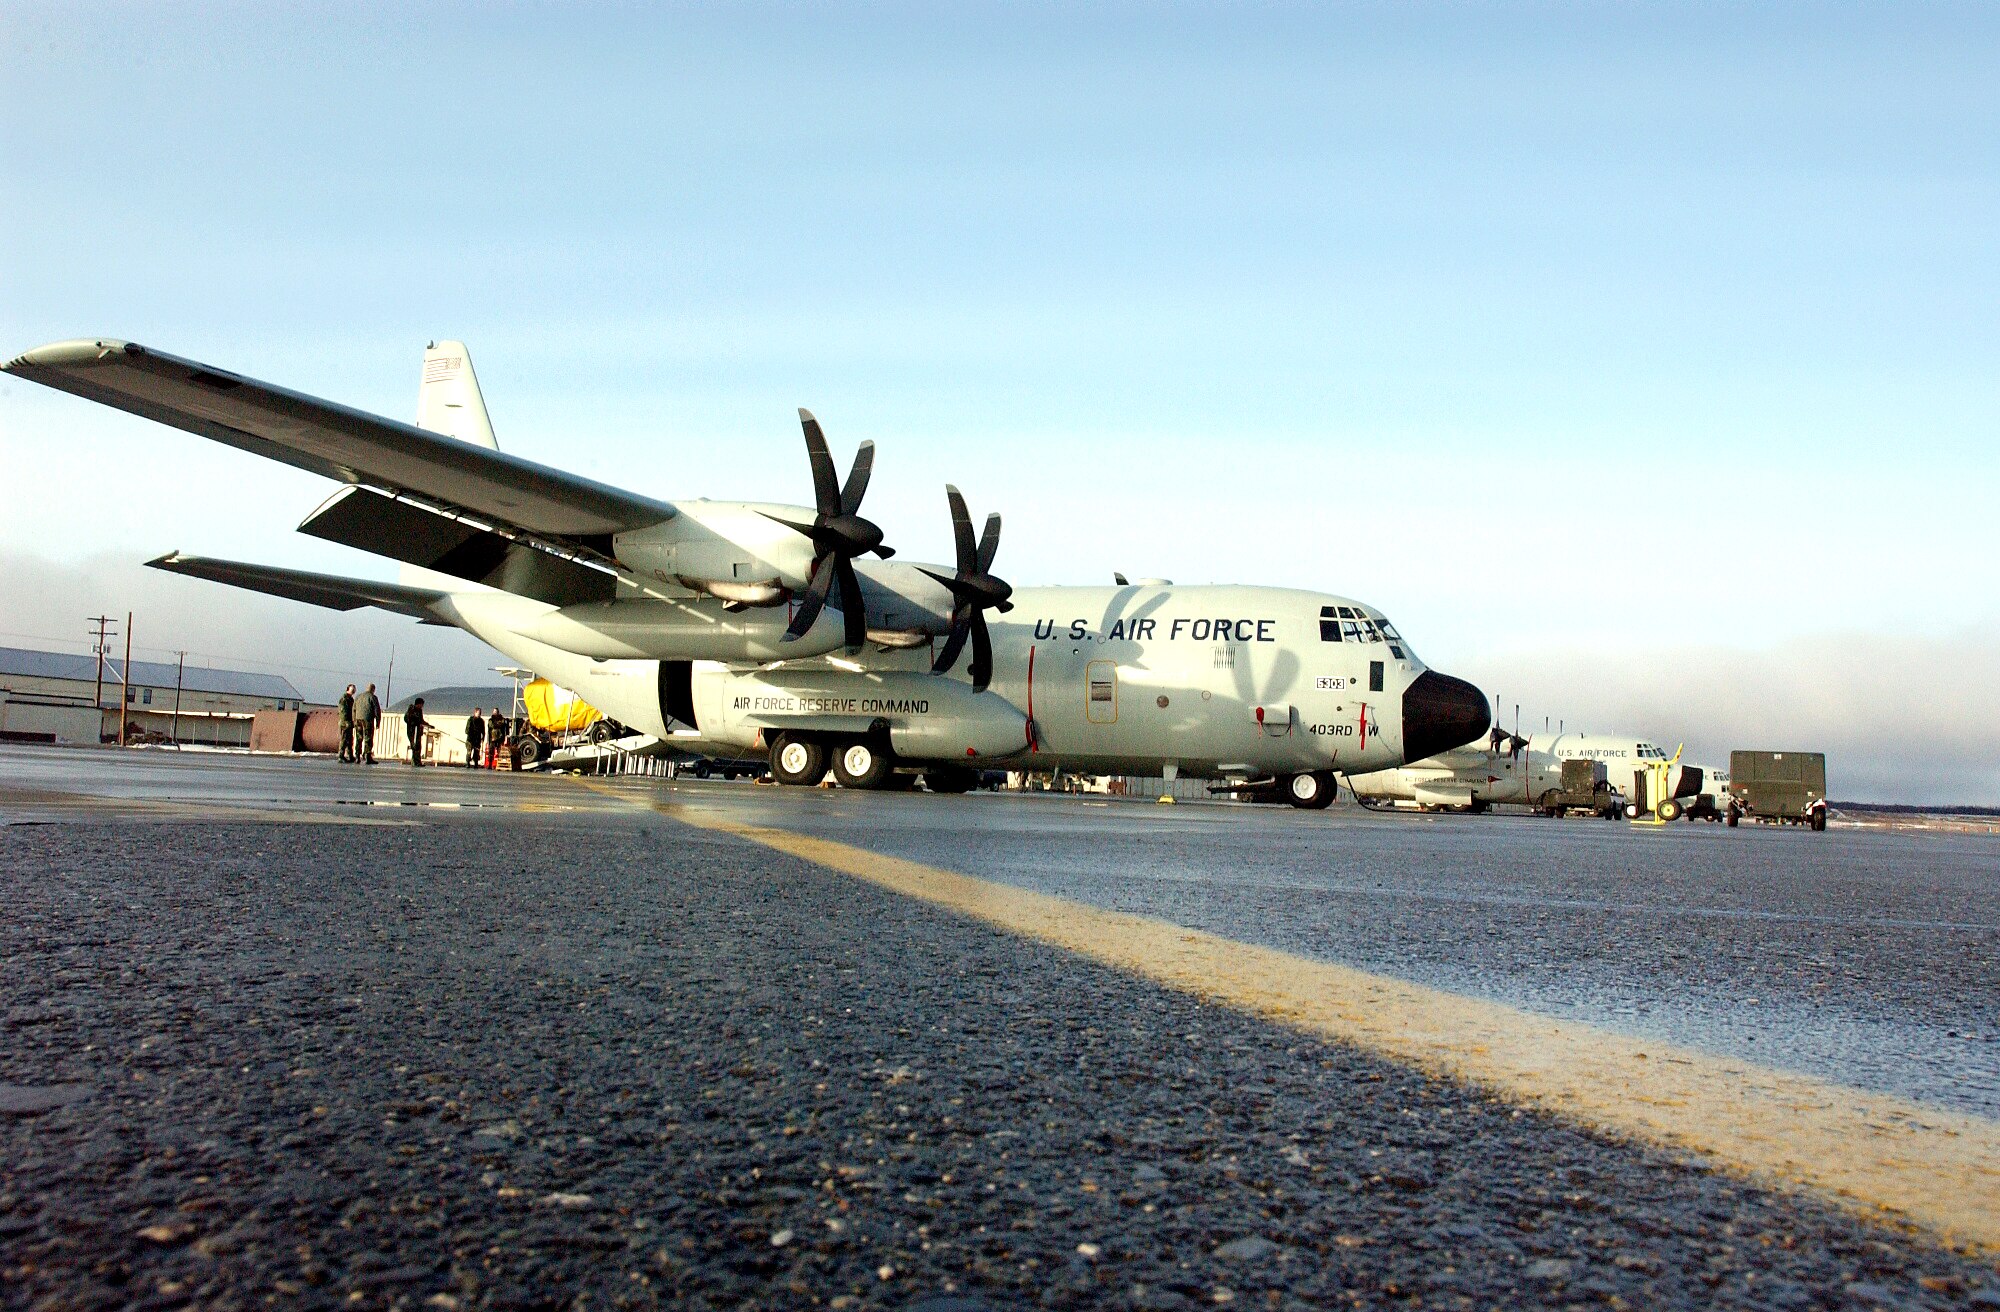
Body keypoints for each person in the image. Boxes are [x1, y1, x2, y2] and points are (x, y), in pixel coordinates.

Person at [356, 683, 381, 764]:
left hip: (358, 720)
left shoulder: (358, 696)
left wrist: (354, 719)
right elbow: (377, 710)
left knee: (359, 738)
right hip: (368, 720)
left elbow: (354, 708)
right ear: (373, 689)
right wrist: (378, 722)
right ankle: (367, 757)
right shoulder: (373, 697)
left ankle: (357, 756)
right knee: (368, 738)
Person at [405, 697, 428, 767]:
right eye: (421, 704)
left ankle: (417, 761)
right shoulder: (411, 709)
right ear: (418, 704)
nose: (422, 706)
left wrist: (427, 725)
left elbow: (421, 720)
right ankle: (415, 762)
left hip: (418, 732)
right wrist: (415, 723)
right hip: (412, 731)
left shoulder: (419, 711)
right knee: (415, 747)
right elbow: (407, 719)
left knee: (418, 747)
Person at [337, 684, 357, 762]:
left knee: (349, 740)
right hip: (345, 723)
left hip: (349, 722)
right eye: (352, 689)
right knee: (344, 739)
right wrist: (346, 721)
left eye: (354, 690)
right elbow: (343, 712)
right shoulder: (344, 699)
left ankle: (350, 756)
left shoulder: (351, 699)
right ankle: (341, 756)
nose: (353, 691)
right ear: (348, 689)